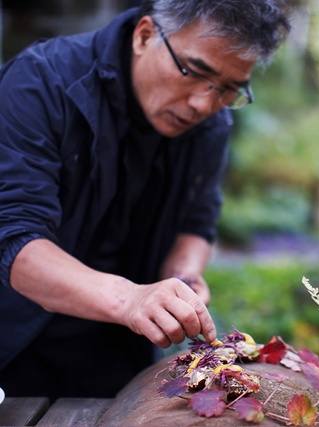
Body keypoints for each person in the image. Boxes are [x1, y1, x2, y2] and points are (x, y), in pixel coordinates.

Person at [0, 0, 290, 400]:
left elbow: (197, 222)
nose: (203, 105)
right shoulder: (41, 83)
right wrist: (130, 298)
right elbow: (12, 239)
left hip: (119, 358)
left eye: (229, 90)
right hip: (12, 348)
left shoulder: (212, 124)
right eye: (194, 72)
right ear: (145, 35)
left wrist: (184, 281)